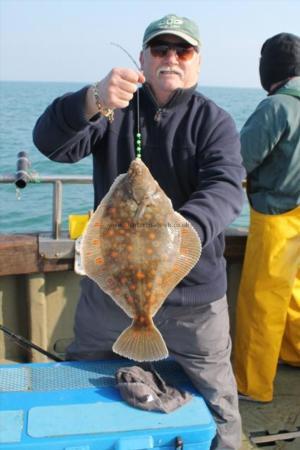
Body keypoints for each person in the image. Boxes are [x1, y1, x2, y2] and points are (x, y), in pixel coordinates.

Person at [33, 14, 244, 449]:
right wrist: (92, 98)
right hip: (111, 295)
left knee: (219, 403)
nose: (171, 58)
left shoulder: (214, 121)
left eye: (182, 50)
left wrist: (181, 234)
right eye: (160, 49)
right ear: (144, 60)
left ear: (197, 63)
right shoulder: (111, 109)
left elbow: (225, 186)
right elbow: (50, 143)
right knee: (82, 385)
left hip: (193, 301)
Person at [233, 33, 300, 403]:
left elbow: (239, 161)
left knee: (262, 301)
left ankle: (251, 385)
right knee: (294, 294)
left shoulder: (276, 106)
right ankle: (294, 353)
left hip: (278, 217)